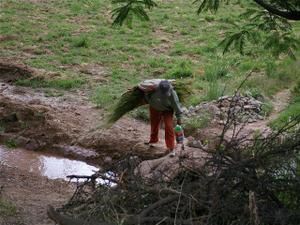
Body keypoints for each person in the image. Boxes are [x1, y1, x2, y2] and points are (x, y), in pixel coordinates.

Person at [144, 80, 183, 156]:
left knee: (169, 126)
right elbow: (146, 94)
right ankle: (153, 140)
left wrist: (179, 118)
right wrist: (150, 101)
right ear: (159, 89)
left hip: (167, 110)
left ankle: (171, 148)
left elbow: (176, 105)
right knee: (154, 124)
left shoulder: (172, 93)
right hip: (154, 107)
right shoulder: (154, 89)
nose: (166, 95)